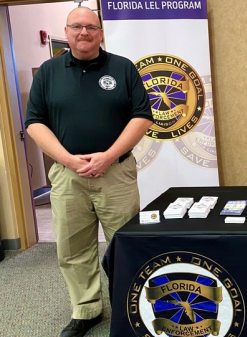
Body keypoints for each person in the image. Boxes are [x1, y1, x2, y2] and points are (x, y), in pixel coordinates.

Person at [25, 6, 154, 337]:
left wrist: (108, 156)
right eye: (77, 27)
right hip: (68, 176)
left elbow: (142, 116)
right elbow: (34, 123)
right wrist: (68, 160)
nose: (84, 32)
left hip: (116, 174)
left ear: (100, 32)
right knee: (73, 247)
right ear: (66, 32)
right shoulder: (48, 73)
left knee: (124, 244)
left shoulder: (123, 68)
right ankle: (86, 310)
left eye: (90, 27)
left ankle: (129, 306)